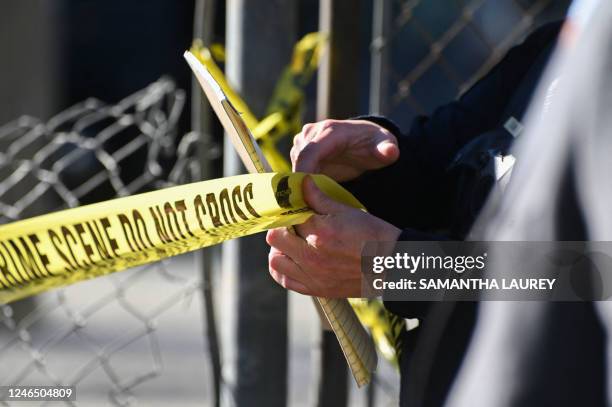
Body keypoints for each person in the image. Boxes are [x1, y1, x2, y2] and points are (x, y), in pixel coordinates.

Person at [266, 21, 564, 406]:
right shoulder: (562, 43)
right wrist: (368, 166)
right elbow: (444, 170)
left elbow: (591, 274)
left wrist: (406, 265)